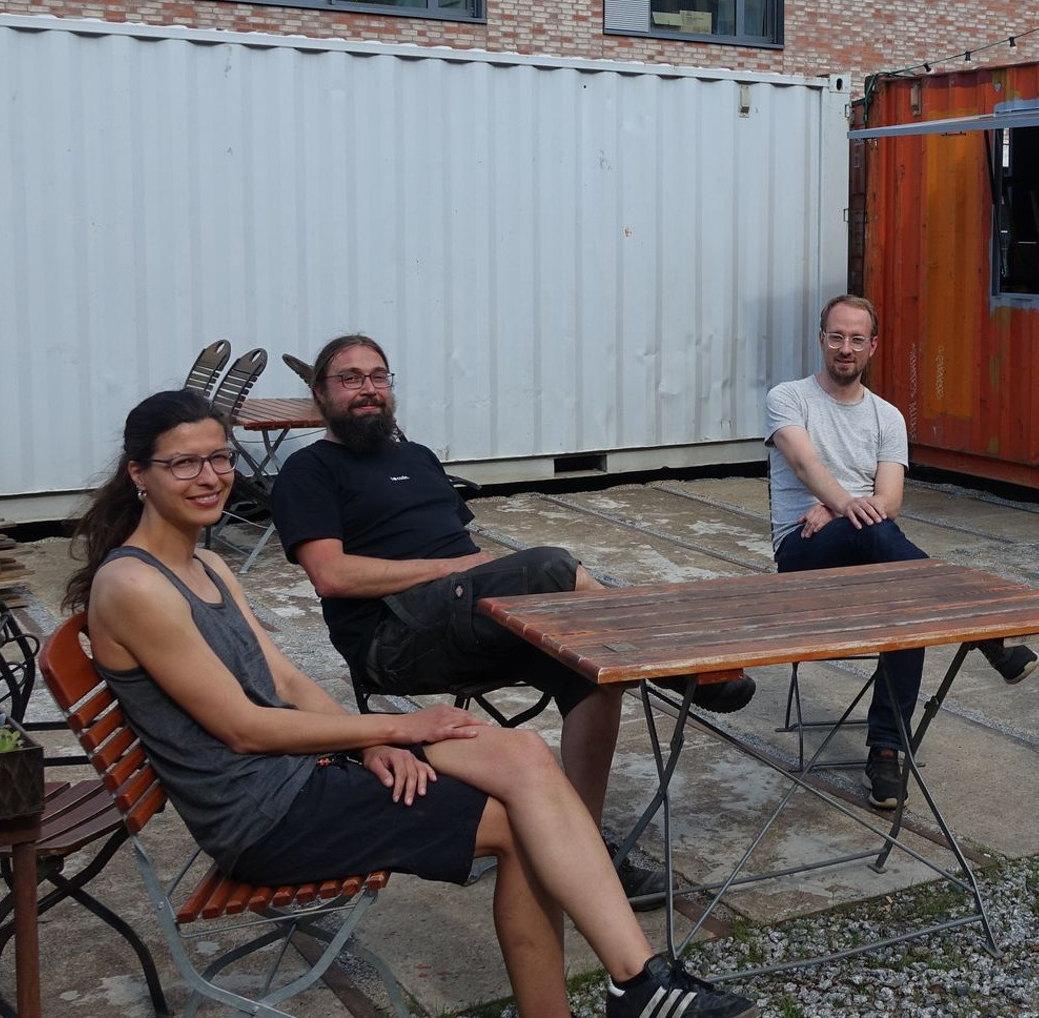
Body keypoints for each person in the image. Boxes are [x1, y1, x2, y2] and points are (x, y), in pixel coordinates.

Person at [64, 391, 758, 1018]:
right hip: (266, 818)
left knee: (522, 753)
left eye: (219, 458)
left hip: (298, 776)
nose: (210, 477)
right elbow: (243, 729)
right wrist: (397, 726)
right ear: (139, 474)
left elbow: (288, 682)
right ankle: (628, 984)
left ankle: (637, 983)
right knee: (524, 828)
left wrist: (371, 740)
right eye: (184, 464)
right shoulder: (136, 587)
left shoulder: (208, 565)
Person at [269, 334, 754, 906]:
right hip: (392, 638)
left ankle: (580, 850)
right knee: (551, 565)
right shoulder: (308, 470)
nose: (368, 389)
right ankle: (674, 665)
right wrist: (460, 570)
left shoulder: (416, 457)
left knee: (593, 667)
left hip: (463, 619)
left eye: (378, 376)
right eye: (350, 379)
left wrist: (478, 574)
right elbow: (332, 576)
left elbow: (465, 552)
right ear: (320, 393)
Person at [765, 295, 1039, 811]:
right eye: (836, 337)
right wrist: (847, 505)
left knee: (907, 595)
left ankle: (886, 753)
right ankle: (983, 631)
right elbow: (803, 464)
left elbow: (890, 500)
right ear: (821, 339)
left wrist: (843, 509)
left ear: (873, 346)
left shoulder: (887, 417)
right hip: (803, 556)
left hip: (872, 559)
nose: (845, 348)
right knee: (876, 537)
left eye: (856, 339)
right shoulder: (789, 398)